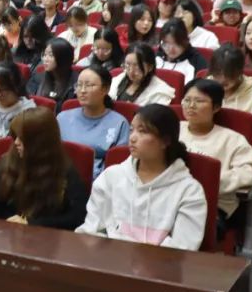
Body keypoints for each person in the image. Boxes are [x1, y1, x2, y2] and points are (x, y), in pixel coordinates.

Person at [76, 103, 206, 250]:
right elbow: (92, 229)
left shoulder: (189, 191)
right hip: (109, 258)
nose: (132, 138)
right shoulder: (111, 176)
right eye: (132, 130)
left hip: (160, 263)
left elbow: (184, 247)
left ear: (166, 141)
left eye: (142, 131)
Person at [0, 107, 88, 229]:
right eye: (15, 136)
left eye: (22, 138)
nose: (16, 142)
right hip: (4, 232)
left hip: (43, 236)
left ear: (40, 142)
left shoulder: (64, 172)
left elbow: (77, 217)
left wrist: (32, 224)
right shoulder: (9, 162)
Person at [179, 79, 252, 235]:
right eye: (187, 100)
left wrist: (212, 181)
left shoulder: (232, 139)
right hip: (170, 199)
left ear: (216, 107)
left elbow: (250, 172)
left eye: (199, 101)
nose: (191, 106)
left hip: (212, 205)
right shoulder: (172, 130)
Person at [56, 66, 130, 175]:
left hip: (96, 178)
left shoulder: (119, 123)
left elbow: (118, 163)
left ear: (105, 89)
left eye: (89, 85)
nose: (82, 90)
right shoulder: (62, 118)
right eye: (79, 85)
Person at [207, 45, 252, 156]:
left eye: (229, 74)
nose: (222, 79)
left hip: (239, 152)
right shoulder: (203, 89)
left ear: (240, 71)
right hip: (205, 146)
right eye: (218, 74)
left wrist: (236, 151)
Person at [26, 37, 76, 110]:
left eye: (50, 55)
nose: (45, 59)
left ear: (63, 58)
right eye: (45, 55)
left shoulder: (75, 83)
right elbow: (28, 99)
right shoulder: (38, 76)